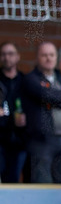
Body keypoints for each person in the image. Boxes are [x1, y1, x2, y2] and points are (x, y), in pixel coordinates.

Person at [22, 41, 61, 183]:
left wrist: (56, 97)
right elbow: (47, 95)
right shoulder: (30, 79)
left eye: (51, 55)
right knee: (43, 182)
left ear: (56, 58)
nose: (48, 58)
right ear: (37, 58)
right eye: (44, 55)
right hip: (42, 141)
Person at [0, 41, 28, 183]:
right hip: (1, 139)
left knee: (14, 180)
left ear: (18, 56)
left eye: (10, 54)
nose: (7, 57)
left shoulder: (25, 81)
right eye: (3, 54)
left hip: (19, 141)